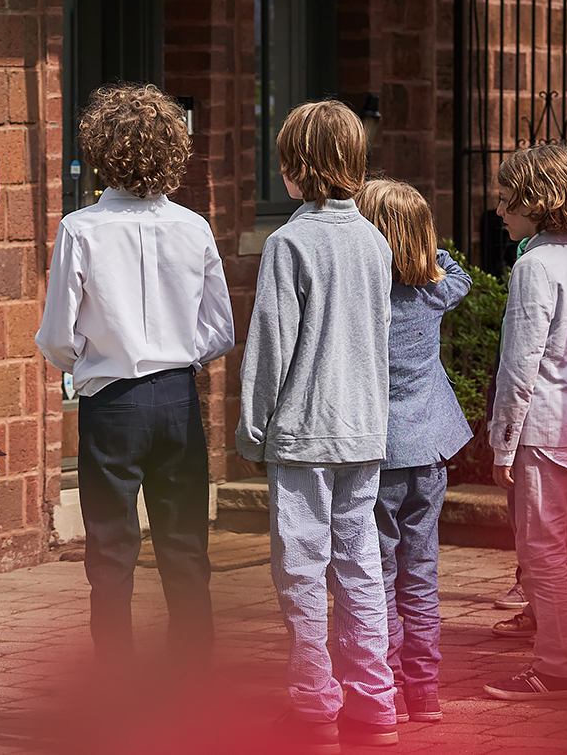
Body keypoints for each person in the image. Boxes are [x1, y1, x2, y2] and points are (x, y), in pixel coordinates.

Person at [34, 83, 235, 668]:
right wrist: (177, 355)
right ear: (174, 148)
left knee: (111, 552)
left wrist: (83, 366)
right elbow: (220, 328)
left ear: (101, 149)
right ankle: (193, 675)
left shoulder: (81, 229)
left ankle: (115, 680)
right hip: (177, 400)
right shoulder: (194, 228)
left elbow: (55, 334)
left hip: (112, 404)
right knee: (185, 546)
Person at [238, 100, 399, 750]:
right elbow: (379, 337)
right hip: (363, 427)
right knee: (359, 563)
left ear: (297, 167)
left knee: (302, 570)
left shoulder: (289, 242)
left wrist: (252, 432)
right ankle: (376, 702)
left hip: (304, 432)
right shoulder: (373, 239)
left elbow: (270, 348)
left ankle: (312, 703)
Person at [483, 144, 567, 701]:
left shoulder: (532, 266)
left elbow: (520, 362)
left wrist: (502, 441)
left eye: (507, 200)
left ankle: (556, 665)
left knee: (542, 552)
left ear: (536, 202)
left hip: (543, 429)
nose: (499, 210)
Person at [354, 178, 474, 725]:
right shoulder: (433, 290)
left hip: (378, 454)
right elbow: (461, 275)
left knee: (375, 575)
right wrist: (429, 251)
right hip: (430, 451)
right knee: (419, 573)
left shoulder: (363, 302)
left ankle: (385, 680)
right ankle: (424, 693)